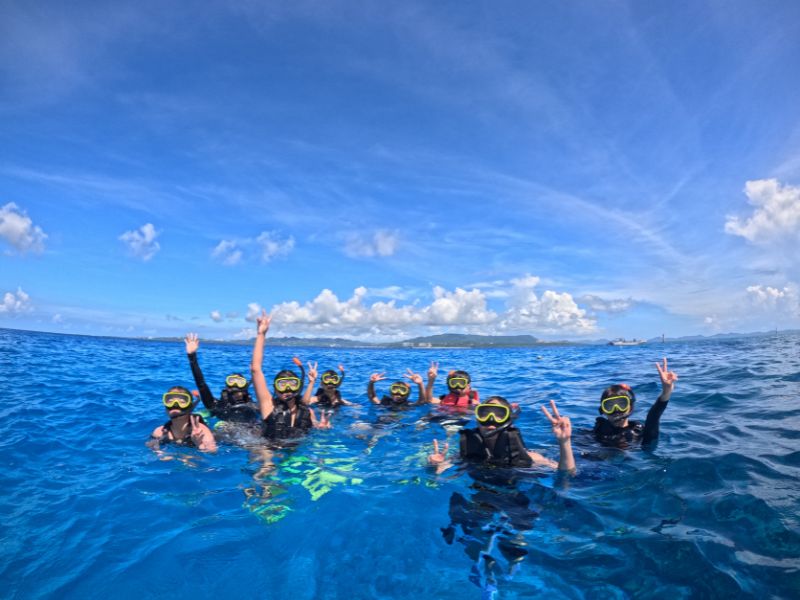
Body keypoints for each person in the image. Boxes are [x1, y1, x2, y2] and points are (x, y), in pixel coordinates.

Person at [428, 397, 575, 473]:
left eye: (499, 414)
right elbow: (438, 473)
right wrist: (434, 464)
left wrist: (564, 442)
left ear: (508, 421)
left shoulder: (528, 456)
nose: (491, 420)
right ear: (477, 420)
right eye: (485, 413)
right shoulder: (466, 452)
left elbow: (566, 472)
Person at [250, 311, 331, 441]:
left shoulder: (307, 411)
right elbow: (255, 370)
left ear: (298, 386)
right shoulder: (269, 406)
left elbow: (314, 425)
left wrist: (321, 426)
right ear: (275, 388)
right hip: (270, 449)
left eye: (292, 384)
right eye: (282, 385)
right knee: (264, 453)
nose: (287, 389)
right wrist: (261, 334)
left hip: (296, 450)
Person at [593, 358, 678, 447]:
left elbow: (653, 417)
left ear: (630, 407)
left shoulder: (639, 433)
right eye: (609, 406)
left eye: (622, 404)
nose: (616, 410)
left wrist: (666, 392)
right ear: (603, 410)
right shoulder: (598, 431)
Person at [184, 333, 259, 423]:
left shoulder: (254, 406)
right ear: (227, 387)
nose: (235, 384)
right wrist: (192, 357)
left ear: (245, 389)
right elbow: (201, 384)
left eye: (240, 382)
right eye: (231, 381)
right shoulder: (216, 405)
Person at [147, 386, 217, 452]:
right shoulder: (159, 432)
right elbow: (151, 447)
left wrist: (199, 444)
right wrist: (159, 453)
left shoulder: (202, 433)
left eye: (182, 402)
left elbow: (212, 453)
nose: (175, 405)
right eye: (170, 401)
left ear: (190, 407)